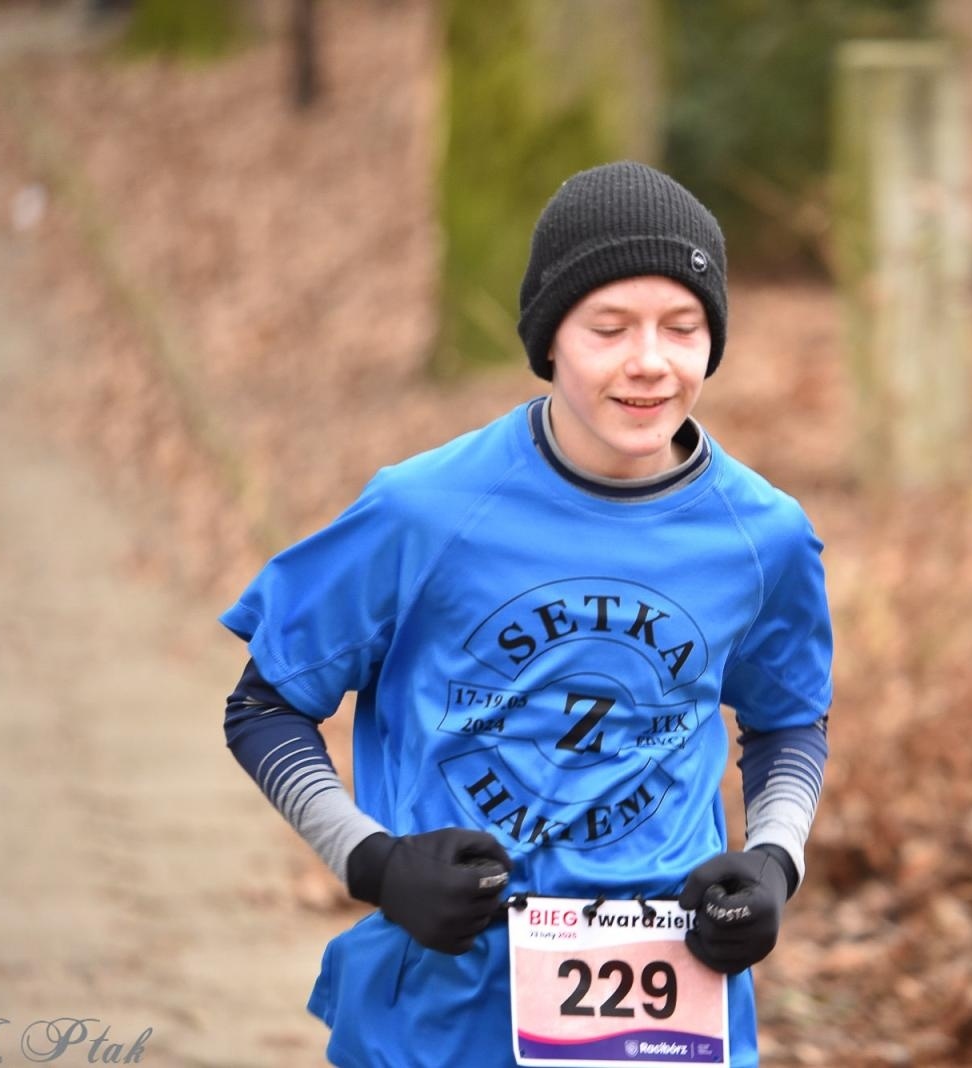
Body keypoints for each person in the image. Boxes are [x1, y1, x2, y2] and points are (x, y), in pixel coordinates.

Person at [220, 161, 833, 1067]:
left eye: (682, 327)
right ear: (550, 341)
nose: (650, 362)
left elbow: (790, 721)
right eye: (609, 328)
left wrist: (776, 862)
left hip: (673, 1018)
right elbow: (264, 706)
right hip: (443, 1007)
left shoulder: (764, 536)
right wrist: (376, 864)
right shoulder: (425, 510)